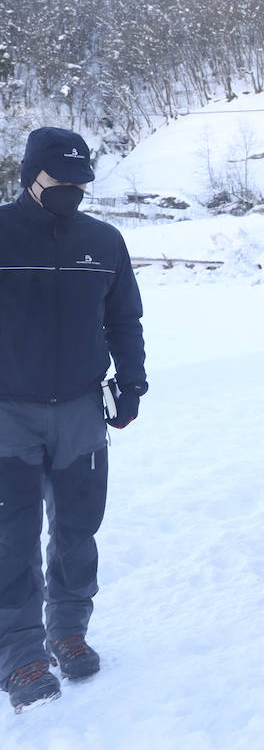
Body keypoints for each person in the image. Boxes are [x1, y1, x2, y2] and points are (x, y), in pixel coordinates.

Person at [0, 127, 146, 712]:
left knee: (78, 530)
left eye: (80, 184)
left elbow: (124, 320)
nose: (72, 192)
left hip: (82, 409)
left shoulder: (103, 241)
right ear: (29, 177)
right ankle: (20, 651)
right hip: (8, 411)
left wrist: (131, 384)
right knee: (11, 536)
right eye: (60, 182)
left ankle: (68, 629)